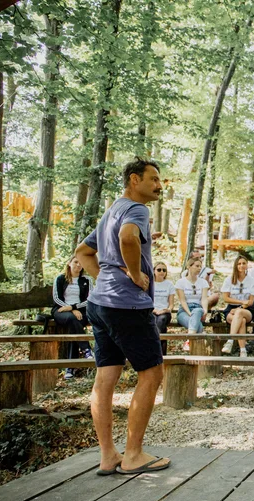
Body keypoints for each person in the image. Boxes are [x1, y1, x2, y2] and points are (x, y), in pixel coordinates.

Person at [75, 156, 170, 475]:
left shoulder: (111, 210)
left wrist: (103, 278)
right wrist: (133, 273)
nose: (159, 185)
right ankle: (133, 455)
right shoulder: (136, 210)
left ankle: (108, 455)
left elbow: (82, 252)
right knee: (152, 374)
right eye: (154, 179)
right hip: (127, 305)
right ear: (134, 179)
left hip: (99, 305)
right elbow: (128, 238)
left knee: (106, 377)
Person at [52, 255, 94, 379]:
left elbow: (90, 299)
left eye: (81, 262)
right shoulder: (60, 279)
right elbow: (56, 298)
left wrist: (74, 308)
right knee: (72, 319)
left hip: (81, 312)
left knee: (74, 325)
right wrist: (70, 309)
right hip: (61, 311)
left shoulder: (87, 280)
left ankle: (69, 368)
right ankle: (86, 349)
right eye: (75, 262)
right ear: (69, 263)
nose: (78, 265)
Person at [221, 255, 254, 357]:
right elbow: (226, 298)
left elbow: (250, 302)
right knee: (241, 321)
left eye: (244, 263)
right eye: (239, 263)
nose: (241, 265)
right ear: (235, 265)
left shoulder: (252, 281)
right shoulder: (229, 280)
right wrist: (241, 302)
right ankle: (243, 350)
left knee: (239, 313)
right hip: (231, 309)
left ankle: (230, 340)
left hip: (247, 310)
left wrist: (240, 307)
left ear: (247, 265)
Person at [175, 257, 209, 352]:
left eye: (200, 266)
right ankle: (197, 334)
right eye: (197, 266)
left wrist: (205, 311)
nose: (199, 268)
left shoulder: (203, 282)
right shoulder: (181, 282)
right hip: (184, 311)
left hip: (198, 310)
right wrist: (190, 314)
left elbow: (204, 298)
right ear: (189, 267)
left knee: (198, 310)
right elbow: (183, 300)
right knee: (198, 327)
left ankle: (188, 341)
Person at [152, 261, 174, 356]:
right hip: (151, 311)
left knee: (161, 320)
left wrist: (167, 309)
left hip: (164, 312)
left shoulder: (169, 284)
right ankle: (161, 354)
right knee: (157, 324)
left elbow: (171, 304)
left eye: (164, 270)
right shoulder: (150, 284)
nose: (162, 272)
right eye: (159, 269)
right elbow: (146, 301)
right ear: (154, 271)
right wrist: (154, 310)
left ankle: (156, 352)